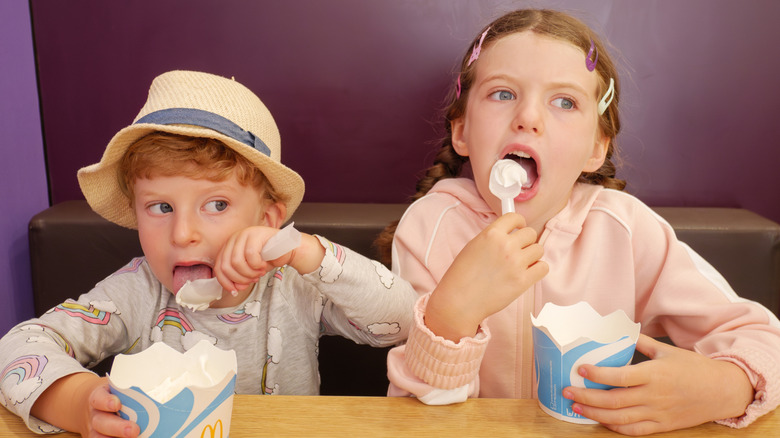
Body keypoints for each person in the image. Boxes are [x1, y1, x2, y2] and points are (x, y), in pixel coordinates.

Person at [378, 9, 780, 435]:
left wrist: (725, 387)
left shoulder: (625, 232)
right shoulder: (430, 228)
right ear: (461, 131)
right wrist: (452, 313)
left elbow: (764, 338)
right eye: (503, 93)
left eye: (565, 102)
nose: (528, 117)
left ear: (595, 149)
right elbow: (417, 414)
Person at [0, 70, 418, 437]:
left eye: (216, 204)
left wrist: (304, 251)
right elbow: (17, 348)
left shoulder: (295, 287)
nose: (183, 234)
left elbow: (403, 324)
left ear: (267, 219)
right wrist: (78, 402)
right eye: (161, 207)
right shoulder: (134, 293)